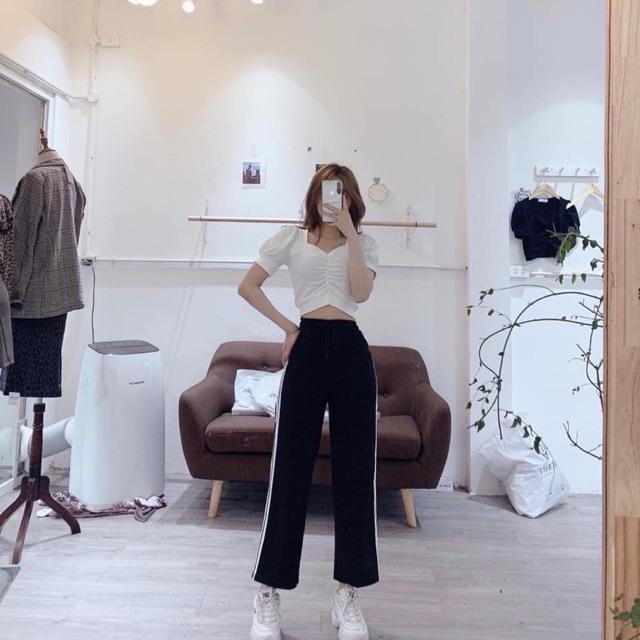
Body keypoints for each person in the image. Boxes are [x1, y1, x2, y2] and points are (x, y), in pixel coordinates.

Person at [237, 163, 380, 640]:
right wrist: (289, 328)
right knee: (288, 472)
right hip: (307, 347)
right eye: (324, 191)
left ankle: (348, 593)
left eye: (340, 192)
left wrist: (351, 236)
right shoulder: (291, 239)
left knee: (355, 474)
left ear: (352, 197)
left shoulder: (365, 243)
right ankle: (268, 594)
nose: (331, 200)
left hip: (351, 352)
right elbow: (248, 285)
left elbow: (361, 293)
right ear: (313, 196)